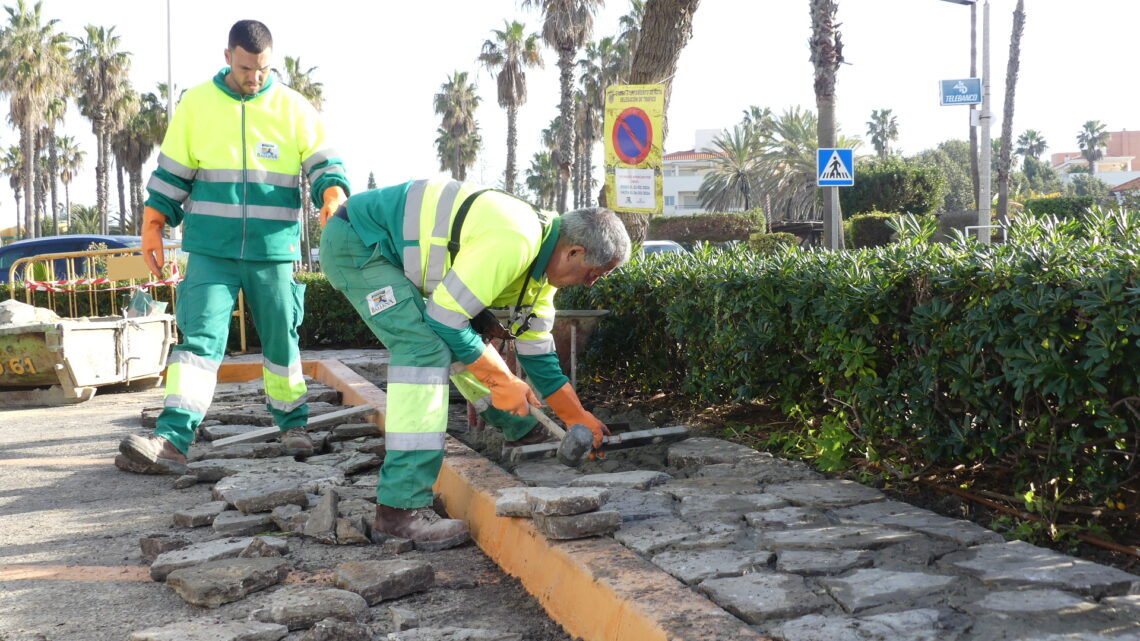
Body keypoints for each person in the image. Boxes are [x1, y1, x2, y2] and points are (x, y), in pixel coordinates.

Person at [319, 179, 630, 549]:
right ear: (573, 252)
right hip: (358, 242)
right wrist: (501, 382)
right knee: (424, 350)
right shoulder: (515, 240)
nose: (591, 283)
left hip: (379, 245)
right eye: (594, 273)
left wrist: (575, 415)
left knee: (456, 341)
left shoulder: (541, 269)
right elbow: (446, 319)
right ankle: (399, 510)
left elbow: (537, 351)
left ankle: (521, 427)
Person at [118, 19, 350, 474]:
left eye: (263, 69)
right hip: (211, 250)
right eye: (246, 68)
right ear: (228, 58)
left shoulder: (293, 107)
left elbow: (324, 163)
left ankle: (294, 425)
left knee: (282, 341)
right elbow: (173, 171)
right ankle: (172, 439)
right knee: (198, 344)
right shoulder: (197, 103)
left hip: (273, 251)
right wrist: (152, 222)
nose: (255, 77)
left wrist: (332, 193)